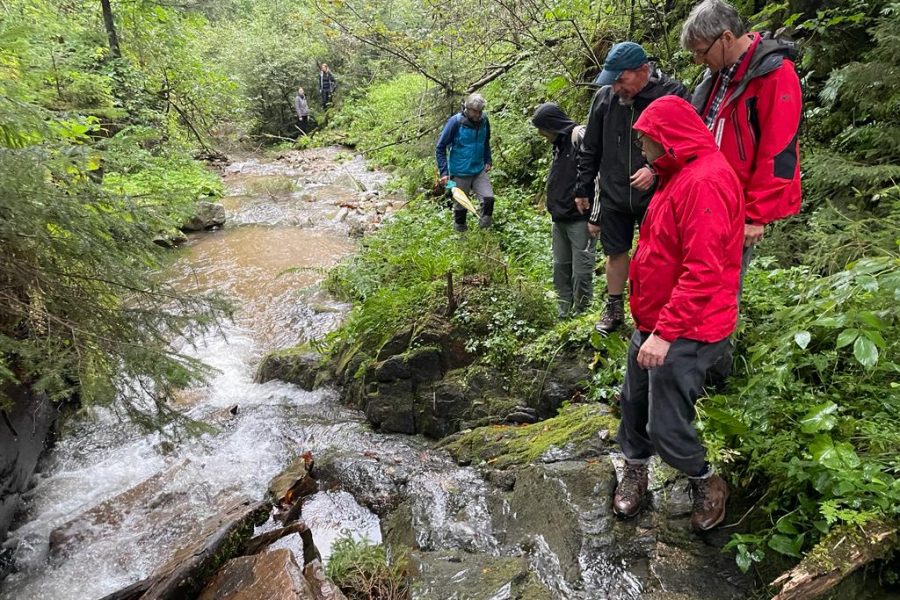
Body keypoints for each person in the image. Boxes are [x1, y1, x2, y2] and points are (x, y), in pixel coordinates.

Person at [612, 95, 744, 532]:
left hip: (687, 328)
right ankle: (634, 469)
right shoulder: (677, 174)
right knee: (633, 402)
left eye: (645, 139)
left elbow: (704, 271)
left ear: (668, 138)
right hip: (655, 320)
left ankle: (705, 479)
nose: (641, 146)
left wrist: (666, 334)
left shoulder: (704, 182)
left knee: (666, 424)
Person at [681, 0, 802, 379]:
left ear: (726, 38)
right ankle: (691, 357)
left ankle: (713, 373)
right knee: (696, 276)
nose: (698, 60)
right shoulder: (719, 74)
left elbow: (779, 151)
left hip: (737, 205)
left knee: (720, 287)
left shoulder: (773, 74)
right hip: (706, 198)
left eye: (701, 51)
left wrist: (756, 214)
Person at [575, 42, 688, 335]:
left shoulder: (671, 94)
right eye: (612, 81)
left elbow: (686, 143)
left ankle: (662, 311)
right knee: (615, 251)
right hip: (614, 191)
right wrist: (583, 188)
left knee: (659, 254)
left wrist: (654, 168)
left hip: (657, 195)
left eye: (621, 80)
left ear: (643, 70)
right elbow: (591, 147)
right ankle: (614, 307)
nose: (616, 88)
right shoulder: (605, 98)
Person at [531, 103, 594, 319]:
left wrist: (596, 216)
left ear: (552, 124)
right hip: (559, 218)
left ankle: (582, 315)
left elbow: (596, 174)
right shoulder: (558, 144)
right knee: (560, 268)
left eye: (542, 128)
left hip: (580, 218)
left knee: (581, 271)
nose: (541, 134)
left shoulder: (579, 137)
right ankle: (563, 313)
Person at [435, 93, 494, 231]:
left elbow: (486, 141)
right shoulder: (455, 122)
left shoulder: (484, 120)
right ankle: (461, 234)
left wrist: (488, 159)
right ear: (467, 108)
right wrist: (444, 173)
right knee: (461, 206)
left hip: (478, 169)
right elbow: (440, 147)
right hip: (459, 172)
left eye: (480, 111)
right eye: (475, 111)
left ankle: (485, 231)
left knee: (488, 199)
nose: (478, 114)